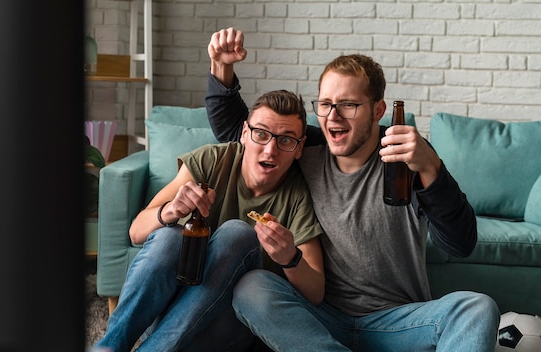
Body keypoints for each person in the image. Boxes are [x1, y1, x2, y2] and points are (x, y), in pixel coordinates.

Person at [206, 27, 500, 352]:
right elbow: (239, 131)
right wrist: (221, 68)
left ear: (378, 110)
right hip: (321, 320)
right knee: (253, 288)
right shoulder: (309, 149)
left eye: (348, 105)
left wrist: (432, 168)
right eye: (326, 104)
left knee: (478, 309)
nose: (333, 116)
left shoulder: (405, 157)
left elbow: (461, 244)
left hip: (399, 323)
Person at [93, 89, 325, 352]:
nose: (271, 150)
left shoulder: (297, 193)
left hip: (222, 324)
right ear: (245, 133)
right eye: (261, 134)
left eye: (285, 140)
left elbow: (316, 292)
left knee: (237, 233)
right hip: (166, 310)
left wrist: (289, 257)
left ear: (299, 148)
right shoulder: (212, 160)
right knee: (169, 236)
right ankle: (110, 346)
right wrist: (171, 211)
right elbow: (136, 232)